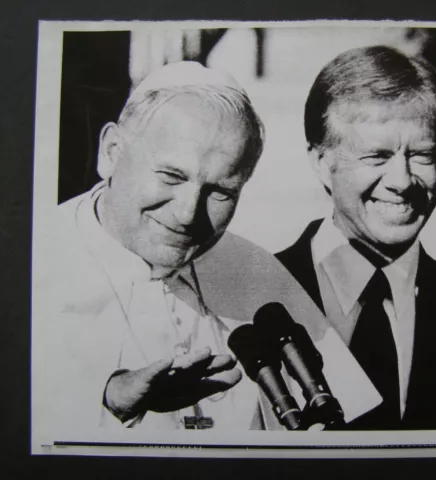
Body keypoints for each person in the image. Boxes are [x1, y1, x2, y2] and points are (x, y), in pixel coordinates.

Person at [35, 61, 268, 433]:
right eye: (171, 176)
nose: (188, 214)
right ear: (111, 151)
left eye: (220, 191)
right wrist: (109, 404)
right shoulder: (28, 260)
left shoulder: (258, 269)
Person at [276, 46, 436, 430]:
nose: (403, 181)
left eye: (422, 155)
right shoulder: (249, 295)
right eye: (377, 156)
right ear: (322, 163)